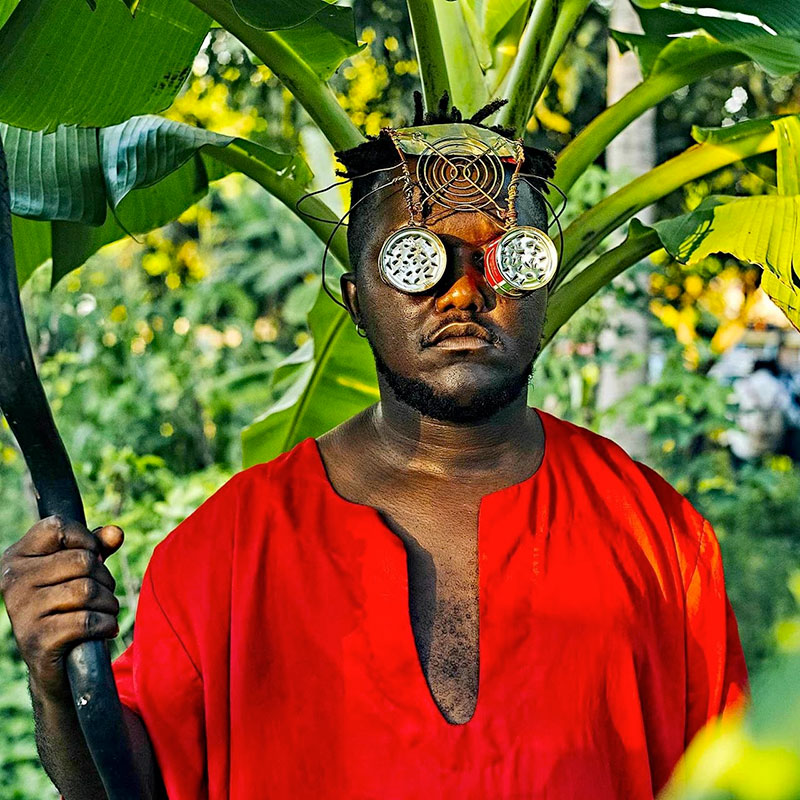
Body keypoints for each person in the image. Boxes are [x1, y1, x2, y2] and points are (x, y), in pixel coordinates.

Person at [0, 98, 748, 800]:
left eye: (506, 261)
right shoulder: (228, 550)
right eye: (419, 261)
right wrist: (58, 679)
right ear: (356, 300)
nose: (463, 294)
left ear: (543, 286)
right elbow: (122, 785)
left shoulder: (659, 538)